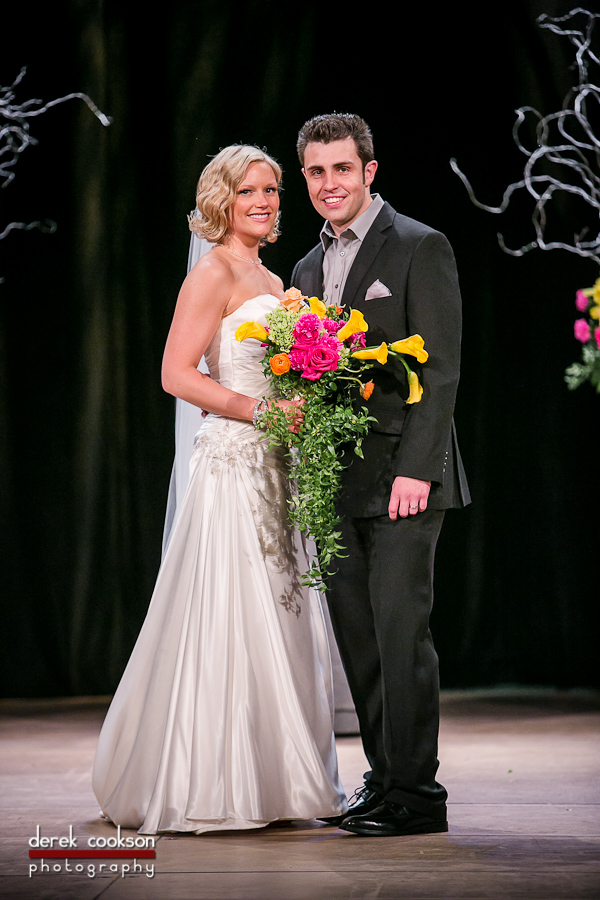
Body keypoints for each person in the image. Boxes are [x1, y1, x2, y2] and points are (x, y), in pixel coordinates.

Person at [92, 144, 347, 834]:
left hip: (278, 466)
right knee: (232, 612)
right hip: (234, 462)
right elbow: (177, 374)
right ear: (221, 202)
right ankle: (212, 780)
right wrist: (259, 411)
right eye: (248, 191)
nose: (263, 202)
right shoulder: (212, 273)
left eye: (271, 190)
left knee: (280, 612)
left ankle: (281, 779)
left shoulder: (271, 277)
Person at [291, 114, 470, 837]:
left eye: (342, 168)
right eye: (316, 171)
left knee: (401, 636)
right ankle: (384, 776)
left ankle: (419, 795)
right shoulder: (306, 270)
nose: (329, 183)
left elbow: (442, 370)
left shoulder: (420, 246)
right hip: (337, 481)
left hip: (403, 478)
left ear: (369, 171)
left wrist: (417, 470)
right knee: (360, 642)